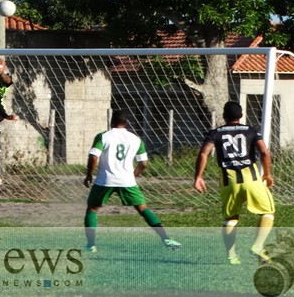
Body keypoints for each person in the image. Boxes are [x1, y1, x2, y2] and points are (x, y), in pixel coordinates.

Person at [83, 110, 180, 253]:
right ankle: (166, 238)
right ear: (126, 123)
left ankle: (91, 245)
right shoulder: (135, 138)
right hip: (127, 181)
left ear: (111, 121)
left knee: (92, 209)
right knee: (143, 209)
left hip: (105, 180)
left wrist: (89, 175)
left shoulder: (103, 136)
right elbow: (144, 163)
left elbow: (93, 157)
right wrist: (133, 175)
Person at [194, 101, 275, 265]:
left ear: (224, 116)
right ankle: (258, 246)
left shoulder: (215, 133)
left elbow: (204, 153)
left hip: (229, 182)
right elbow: (265, 153)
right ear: (241, 116)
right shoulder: (251, 130)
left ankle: (232, 257)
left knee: (231, 218)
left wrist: (198, 177)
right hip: (252, 180)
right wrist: (267, 174)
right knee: (267, 213)